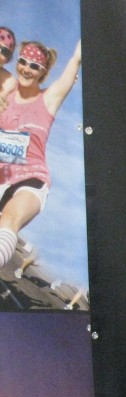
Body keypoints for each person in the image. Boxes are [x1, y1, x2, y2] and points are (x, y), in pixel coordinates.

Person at [0, 39, 81, 269]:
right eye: (23, 62)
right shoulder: (5, 93)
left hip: (31, 179)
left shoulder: (49, 99)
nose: (27, 68)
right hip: (2, 177)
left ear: (43, 72)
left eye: (34, 66)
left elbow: (76, 59)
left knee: (9, 219)